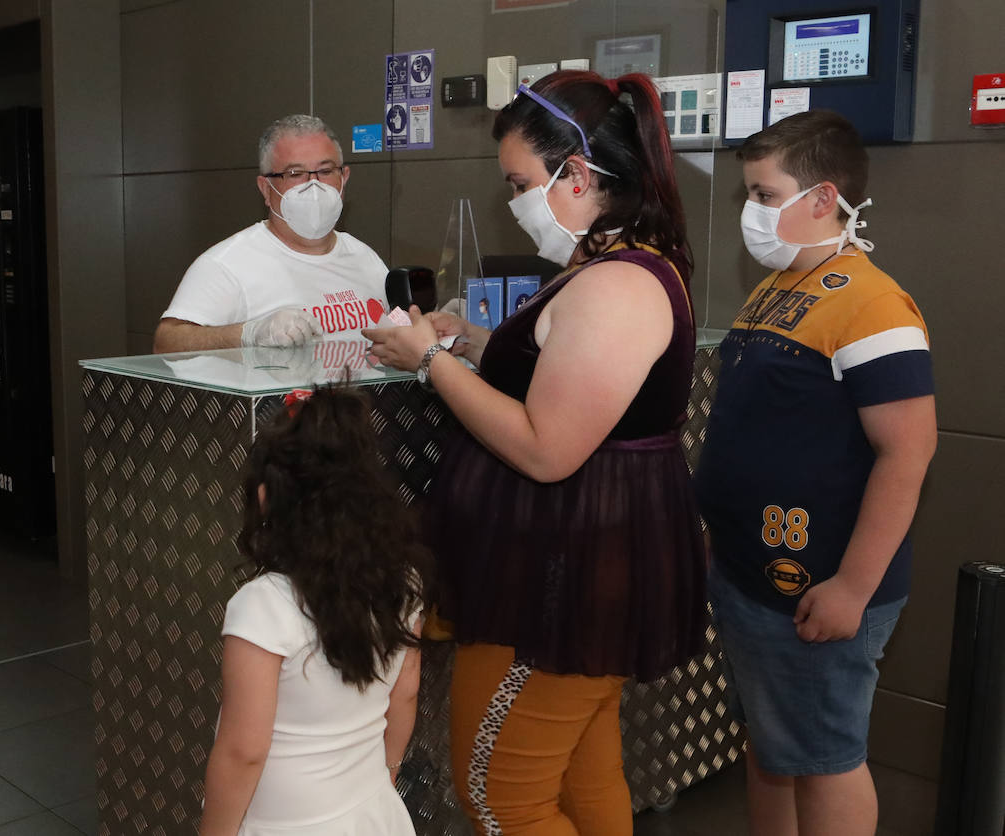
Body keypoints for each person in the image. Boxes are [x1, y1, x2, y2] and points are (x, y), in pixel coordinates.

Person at [364, 70, 706, 835]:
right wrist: (478, 342)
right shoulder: (613, 266)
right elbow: (567, 376)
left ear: (578, 173)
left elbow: (550, 448)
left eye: (520, 183)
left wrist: (430, 362)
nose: (515, 201)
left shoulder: (617, 285)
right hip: (578, 560)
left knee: (498, 794)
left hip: (565, 574)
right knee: (586, 777)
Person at [693, 110, 936, 836]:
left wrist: (854, 588)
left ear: (823, 198)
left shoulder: (872, 305)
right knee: (772, 750)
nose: (752, 212)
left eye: (765, 195)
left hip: (819, 589)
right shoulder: (779, 285)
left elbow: (908, 452)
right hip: (751, 577)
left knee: (824, 759)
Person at [198, 384, 432, 836]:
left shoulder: (262, 607)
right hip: (369, 809)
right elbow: (405, 692)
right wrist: (385, 775)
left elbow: (243, 750)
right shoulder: (403, 580)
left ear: (266, 497)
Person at [154, 114, 390, 353]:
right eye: (295, 174)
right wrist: (249, 334)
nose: (314, 185)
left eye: (326, 171)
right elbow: (166, 344)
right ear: (266, 189)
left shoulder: (365, 258)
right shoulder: (226, 265)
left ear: (344, 178)